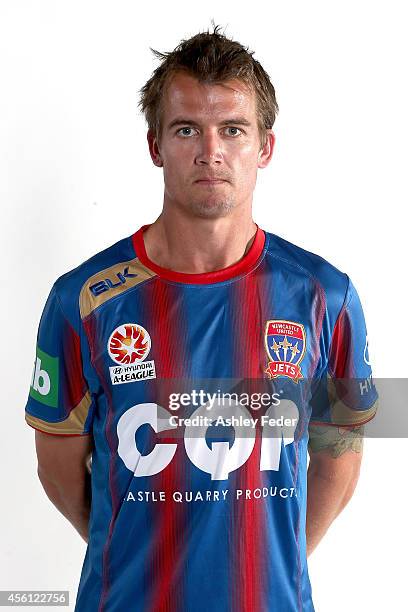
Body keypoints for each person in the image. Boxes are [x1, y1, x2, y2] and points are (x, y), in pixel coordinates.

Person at [25, 24, 378, 612]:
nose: (210, 151)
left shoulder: (326, 295)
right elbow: (57, 470)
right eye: (187, 128)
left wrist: (274, 562)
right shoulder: (81, 299)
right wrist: (140, 548)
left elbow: (340, 458)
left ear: (265, 146)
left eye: (233, 130)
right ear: (155, 145)